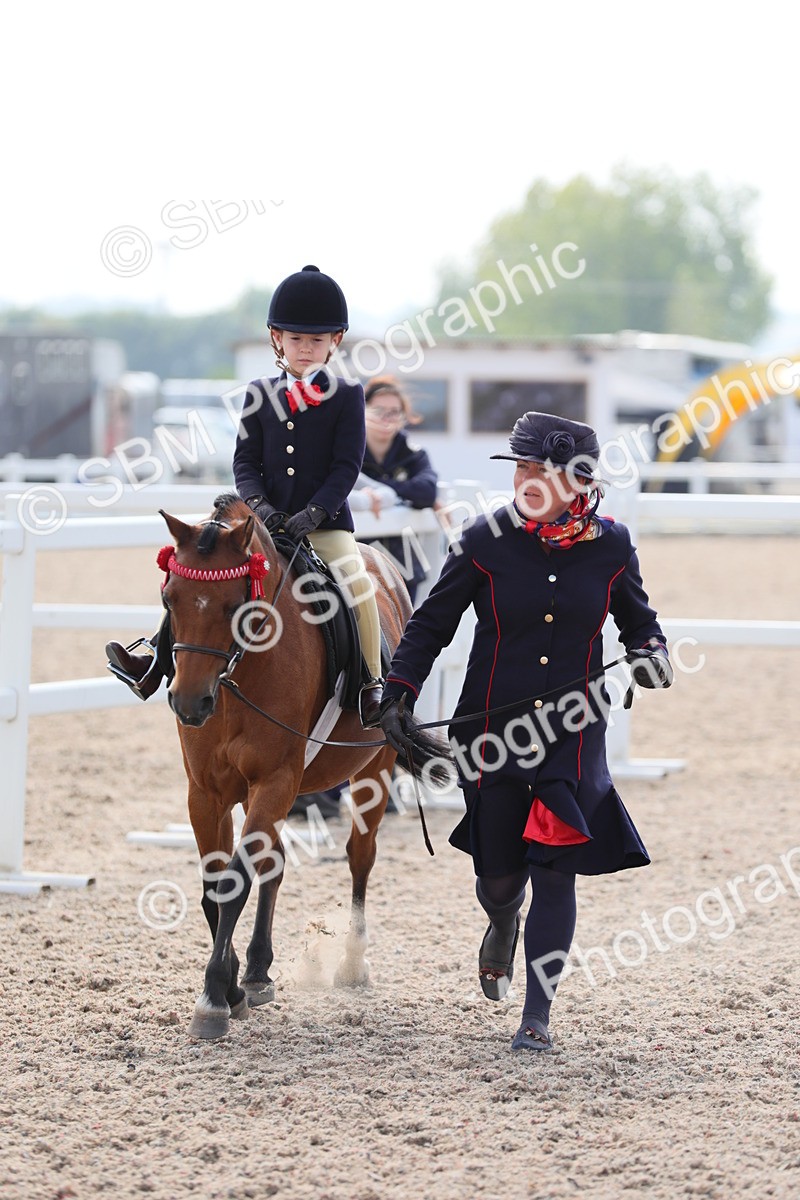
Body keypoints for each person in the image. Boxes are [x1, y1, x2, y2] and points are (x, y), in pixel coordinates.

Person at [379, 411, 672, 1053]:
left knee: (555, 865)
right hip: (492, 729)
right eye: (522, 468)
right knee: (501, 874)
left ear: (580, 480)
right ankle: (502, 917)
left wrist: (653, 651)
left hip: (571, 733)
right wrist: (397, 694)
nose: (527, 480)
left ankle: (536, 1017)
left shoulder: (614, 546)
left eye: (542, 470)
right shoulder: (483, 540)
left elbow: (639, 621)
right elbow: (430, 625)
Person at [106, 265, 385, 728]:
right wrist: (261, 510)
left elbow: (346, 466)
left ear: (335, 341)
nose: (305, 348)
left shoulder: (347, 395)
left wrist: (314, 513)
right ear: (277, 339)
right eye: (296, 339)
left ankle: (371, 683)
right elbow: (244, 463)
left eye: (316, 340)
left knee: (357, 584)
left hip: (326, 524)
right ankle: (155, 661)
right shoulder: (259, 393)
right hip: (258, 523)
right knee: (196, 569)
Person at [350, 376, 439, 605]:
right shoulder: (347, 450)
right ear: (363, 410)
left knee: (403, 634)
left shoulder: (412, 453)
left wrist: (379, 491)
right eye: (379, 410)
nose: (387, 418)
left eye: (394, 411)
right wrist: (401, 495)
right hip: (355, 562)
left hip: (404, 564)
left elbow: (427, 492)